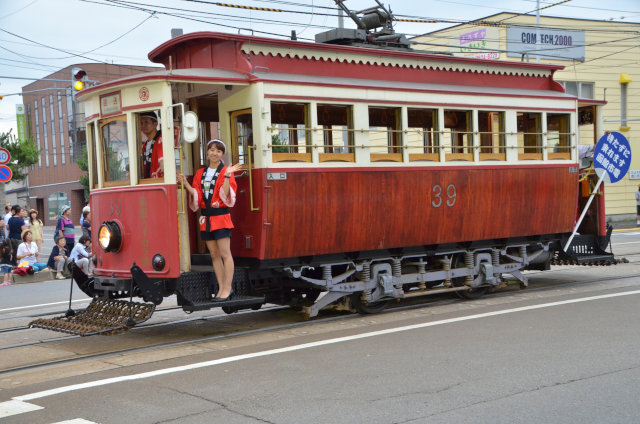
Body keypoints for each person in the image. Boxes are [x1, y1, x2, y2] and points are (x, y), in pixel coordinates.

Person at [177, 139, 243, 301]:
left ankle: (228, 288)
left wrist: (227, 176)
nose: (214, 153)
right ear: (207, 152)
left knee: (225, 254)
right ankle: (221, 288)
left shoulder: (226, 171)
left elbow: (226, 194)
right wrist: (185, 183)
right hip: (206, 218)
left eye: (218, 151)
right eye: (211, 150)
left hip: (221, 217)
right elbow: (197, 194)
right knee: (214, 255)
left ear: (222, 154)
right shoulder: (200, 173)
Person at [140, 111, 164, 178]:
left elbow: (162, 155)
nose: (143, 126)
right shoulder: (145, 145)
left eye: (146, 122)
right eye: (141, 123)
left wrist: (162, 163)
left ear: (155, 124)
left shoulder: (161, 139)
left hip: (159, 182)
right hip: (149, 182)